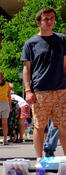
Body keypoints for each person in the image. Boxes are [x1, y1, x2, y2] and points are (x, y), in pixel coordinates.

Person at [21, 7, 65, 161]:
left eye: (52, 18)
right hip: (40, 91)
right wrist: (28, 90)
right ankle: (39, 159)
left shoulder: (62, 39)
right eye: (46, 19)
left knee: (63, 127)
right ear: (38, 22)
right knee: (39, 127)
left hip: (61, 90)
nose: (50, 21)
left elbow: (65, 64)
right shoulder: (31, 43)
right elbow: (26, 68)